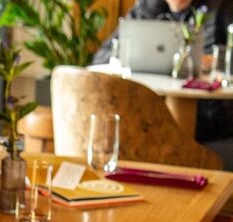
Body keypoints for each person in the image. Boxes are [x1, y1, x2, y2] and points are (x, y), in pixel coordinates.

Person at [92, 0, 233, 168]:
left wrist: (215, 62)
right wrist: (133, 54)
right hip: (150, 108)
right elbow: (102, 56)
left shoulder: (221, 7)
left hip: (210, 113)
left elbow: (228, 59)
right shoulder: (145, 8)